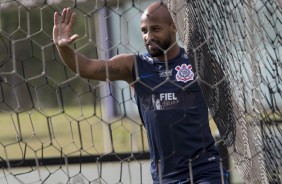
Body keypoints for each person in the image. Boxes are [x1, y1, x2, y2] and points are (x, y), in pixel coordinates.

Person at [53, 2, 228, 184]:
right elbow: (87, 68)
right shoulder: (134, 66)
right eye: (144, 31)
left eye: (155, 29)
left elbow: (225, 104)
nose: (148, 37)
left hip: (205, 171)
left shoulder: (198, 63)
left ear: (174, 27)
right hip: (165, 177)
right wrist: (63, 47)